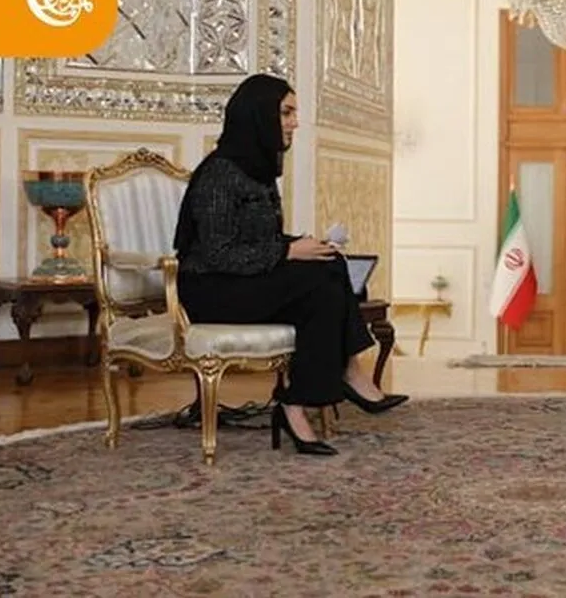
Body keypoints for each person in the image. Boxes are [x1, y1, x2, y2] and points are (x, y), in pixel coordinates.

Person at [173, 73, 405, 458]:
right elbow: (217, 254)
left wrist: (303, 245)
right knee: (319, 277)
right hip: (210, 290)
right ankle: (339, 378)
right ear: (259, 114)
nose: (295, 122)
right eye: (286, 112)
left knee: (328, 265)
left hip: (243, 281)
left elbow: (258, 239)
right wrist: (287, 253)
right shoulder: (220, 173)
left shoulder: (259, 170)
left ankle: (302, 399)